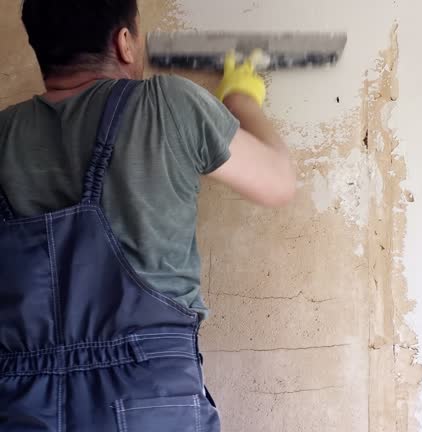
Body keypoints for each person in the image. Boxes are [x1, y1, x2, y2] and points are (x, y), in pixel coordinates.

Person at [0, 0, 295, 430]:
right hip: (144, 395)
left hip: (22, 401)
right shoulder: (165, 102)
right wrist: (241, 98)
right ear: (124, 43)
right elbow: (278, 182)